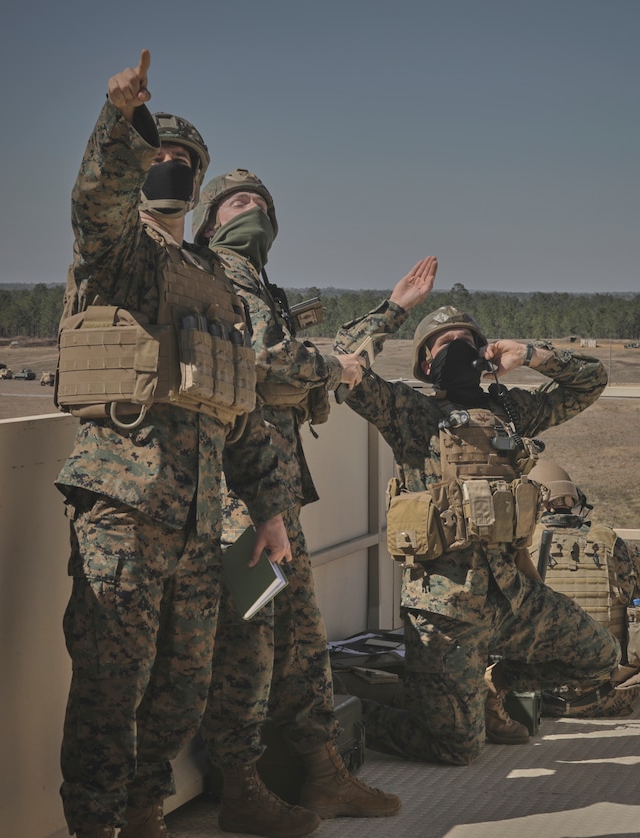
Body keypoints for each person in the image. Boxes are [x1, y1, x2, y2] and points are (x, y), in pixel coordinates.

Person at [55, 52, 292, 838]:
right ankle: (95, 825)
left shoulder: (217, 282)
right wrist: (120, 121)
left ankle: (143, 811)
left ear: (198, 181)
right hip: (122, 510)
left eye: (184, 159)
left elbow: (240, 408)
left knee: (183, 688)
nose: (170, 165)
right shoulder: (118, 254)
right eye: (158, 153)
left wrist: (270, 511)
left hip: (198, 523)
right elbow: (96, 201)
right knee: (110, 688)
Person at [333, 263, 621, 765]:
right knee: (456, 748)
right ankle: (333, 714)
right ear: (426, 364)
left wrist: (529, 355)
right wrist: (397, 308)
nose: (457, 347)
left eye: (466, 340)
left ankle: (490, 684)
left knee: (600, 656)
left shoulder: (512, 412)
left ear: (485, 353)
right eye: (443, 343)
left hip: (511, 597)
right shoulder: (409, 412)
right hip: (446, 610)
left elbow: (591, 382)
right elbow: (344, 361)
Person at [190, 169, 401, 834]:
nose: (252, 208)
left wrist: (390, 313)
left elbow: (303, 362)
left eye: (261, 202)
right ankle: (240, 787)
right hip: (237, 495)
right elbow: (264, 359)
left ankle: (323, 771)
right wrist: (331, 368)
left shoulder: (260, 286)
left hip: (276, 496)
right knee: (248, 643)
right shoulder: (214, 275)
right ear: (210, 222)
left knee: (304, 642)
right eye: (237, 201)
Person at [528, 461, 640, 716]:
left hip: (532, 698)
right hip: (606, 698)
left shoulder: (519, 546)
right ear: (573, 498)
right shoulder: (614, 544)